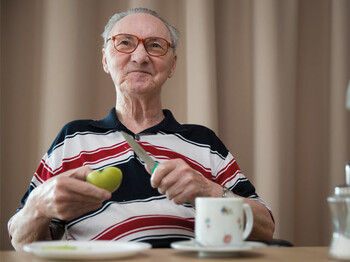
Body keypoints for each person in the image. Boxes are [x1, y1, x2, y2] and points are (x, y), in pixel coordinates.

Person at [8, 7, 274, 250]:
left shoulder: (204, 142)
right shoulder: (72, 139)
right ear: (105, 60)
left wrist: (209, 191)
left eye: (155, 46)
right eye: (125, 43)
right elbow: (21, 242)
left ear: (172, 65)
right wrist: (38, 206)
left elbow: (265, 228)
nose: (140, 57)